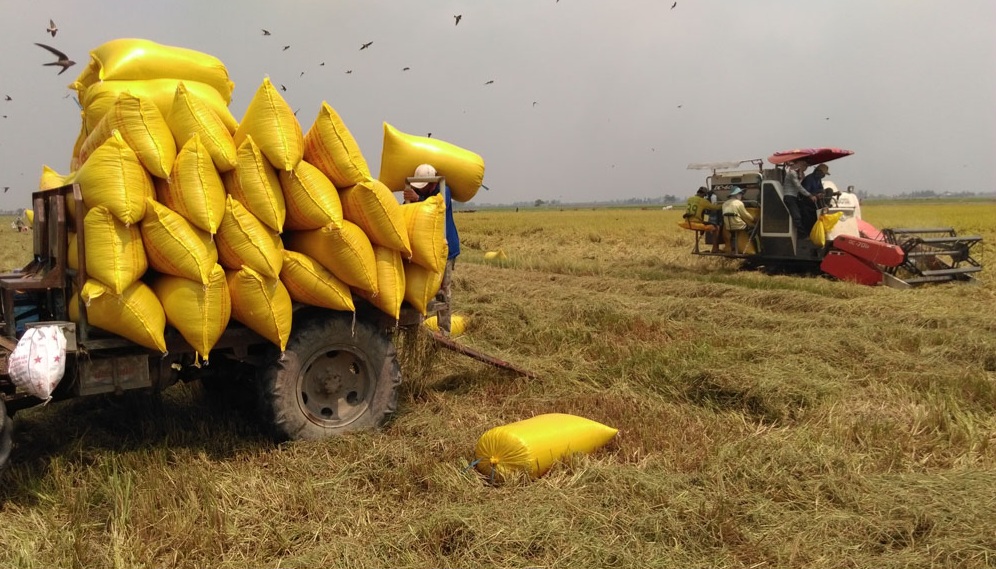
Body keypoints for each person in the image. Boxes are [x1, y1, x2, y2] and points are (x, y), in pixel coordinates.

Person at [403, 163, 460, 335]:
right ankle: (418, 328)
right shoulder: (421, 191)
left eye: (425, 185)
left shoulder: (444, 191)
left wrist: (417, 200)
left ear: (433, 182)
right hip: (425, 250)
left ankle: (444, 331)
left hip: (446, 249)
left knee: (444, 290)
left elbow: (436, 209)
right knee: (422, 288)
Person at [683, 186, 723, 252]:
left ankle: (700, 243)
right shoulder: (703, 201)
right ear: (703, 194)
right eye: (704, 195)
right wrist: (724, 204)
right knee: (716, 227)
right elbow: (714, 208)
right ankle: (715, 248)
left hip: (688, 222)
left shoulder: (689, 199)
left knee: (704, 223)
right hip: (696, 222)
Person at [781, 162, 814, 238]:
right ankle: (801, 235)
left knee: (805, 211)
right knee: (797, 217)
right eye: (804, 165)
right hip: (789, 196)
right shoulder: (792, 173)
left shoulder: (801, 174)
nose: (805, 168)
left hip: (795, 197)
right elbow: (798, 187)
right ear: (799, 165)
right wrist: (809, 195)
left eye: (806, 166)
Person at [721, 186, 754, 253]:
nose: (741, 196)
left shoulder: (724, 204)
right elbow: (745, 214)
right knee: (753, 229)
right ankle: (753, 249)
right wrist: (753, 219)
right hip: (738, 225)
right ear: (737, 195)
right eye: (740, 194)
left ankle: (734, 247)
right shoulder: (739, 203)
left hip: (728, 226)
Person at [800, 163, 829, 234]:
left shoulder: (818, 180)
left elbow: (821, 189)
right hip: (807, 202)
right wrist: (816, 195)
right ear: (818, 171)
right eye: (823, 174)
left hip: (816, 200)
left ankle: (826, 206)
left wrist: (822, 194)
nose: (823, 176)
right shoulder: (809, 179)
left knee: (829, 190)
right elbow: (805, 192)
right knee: (810, 218)